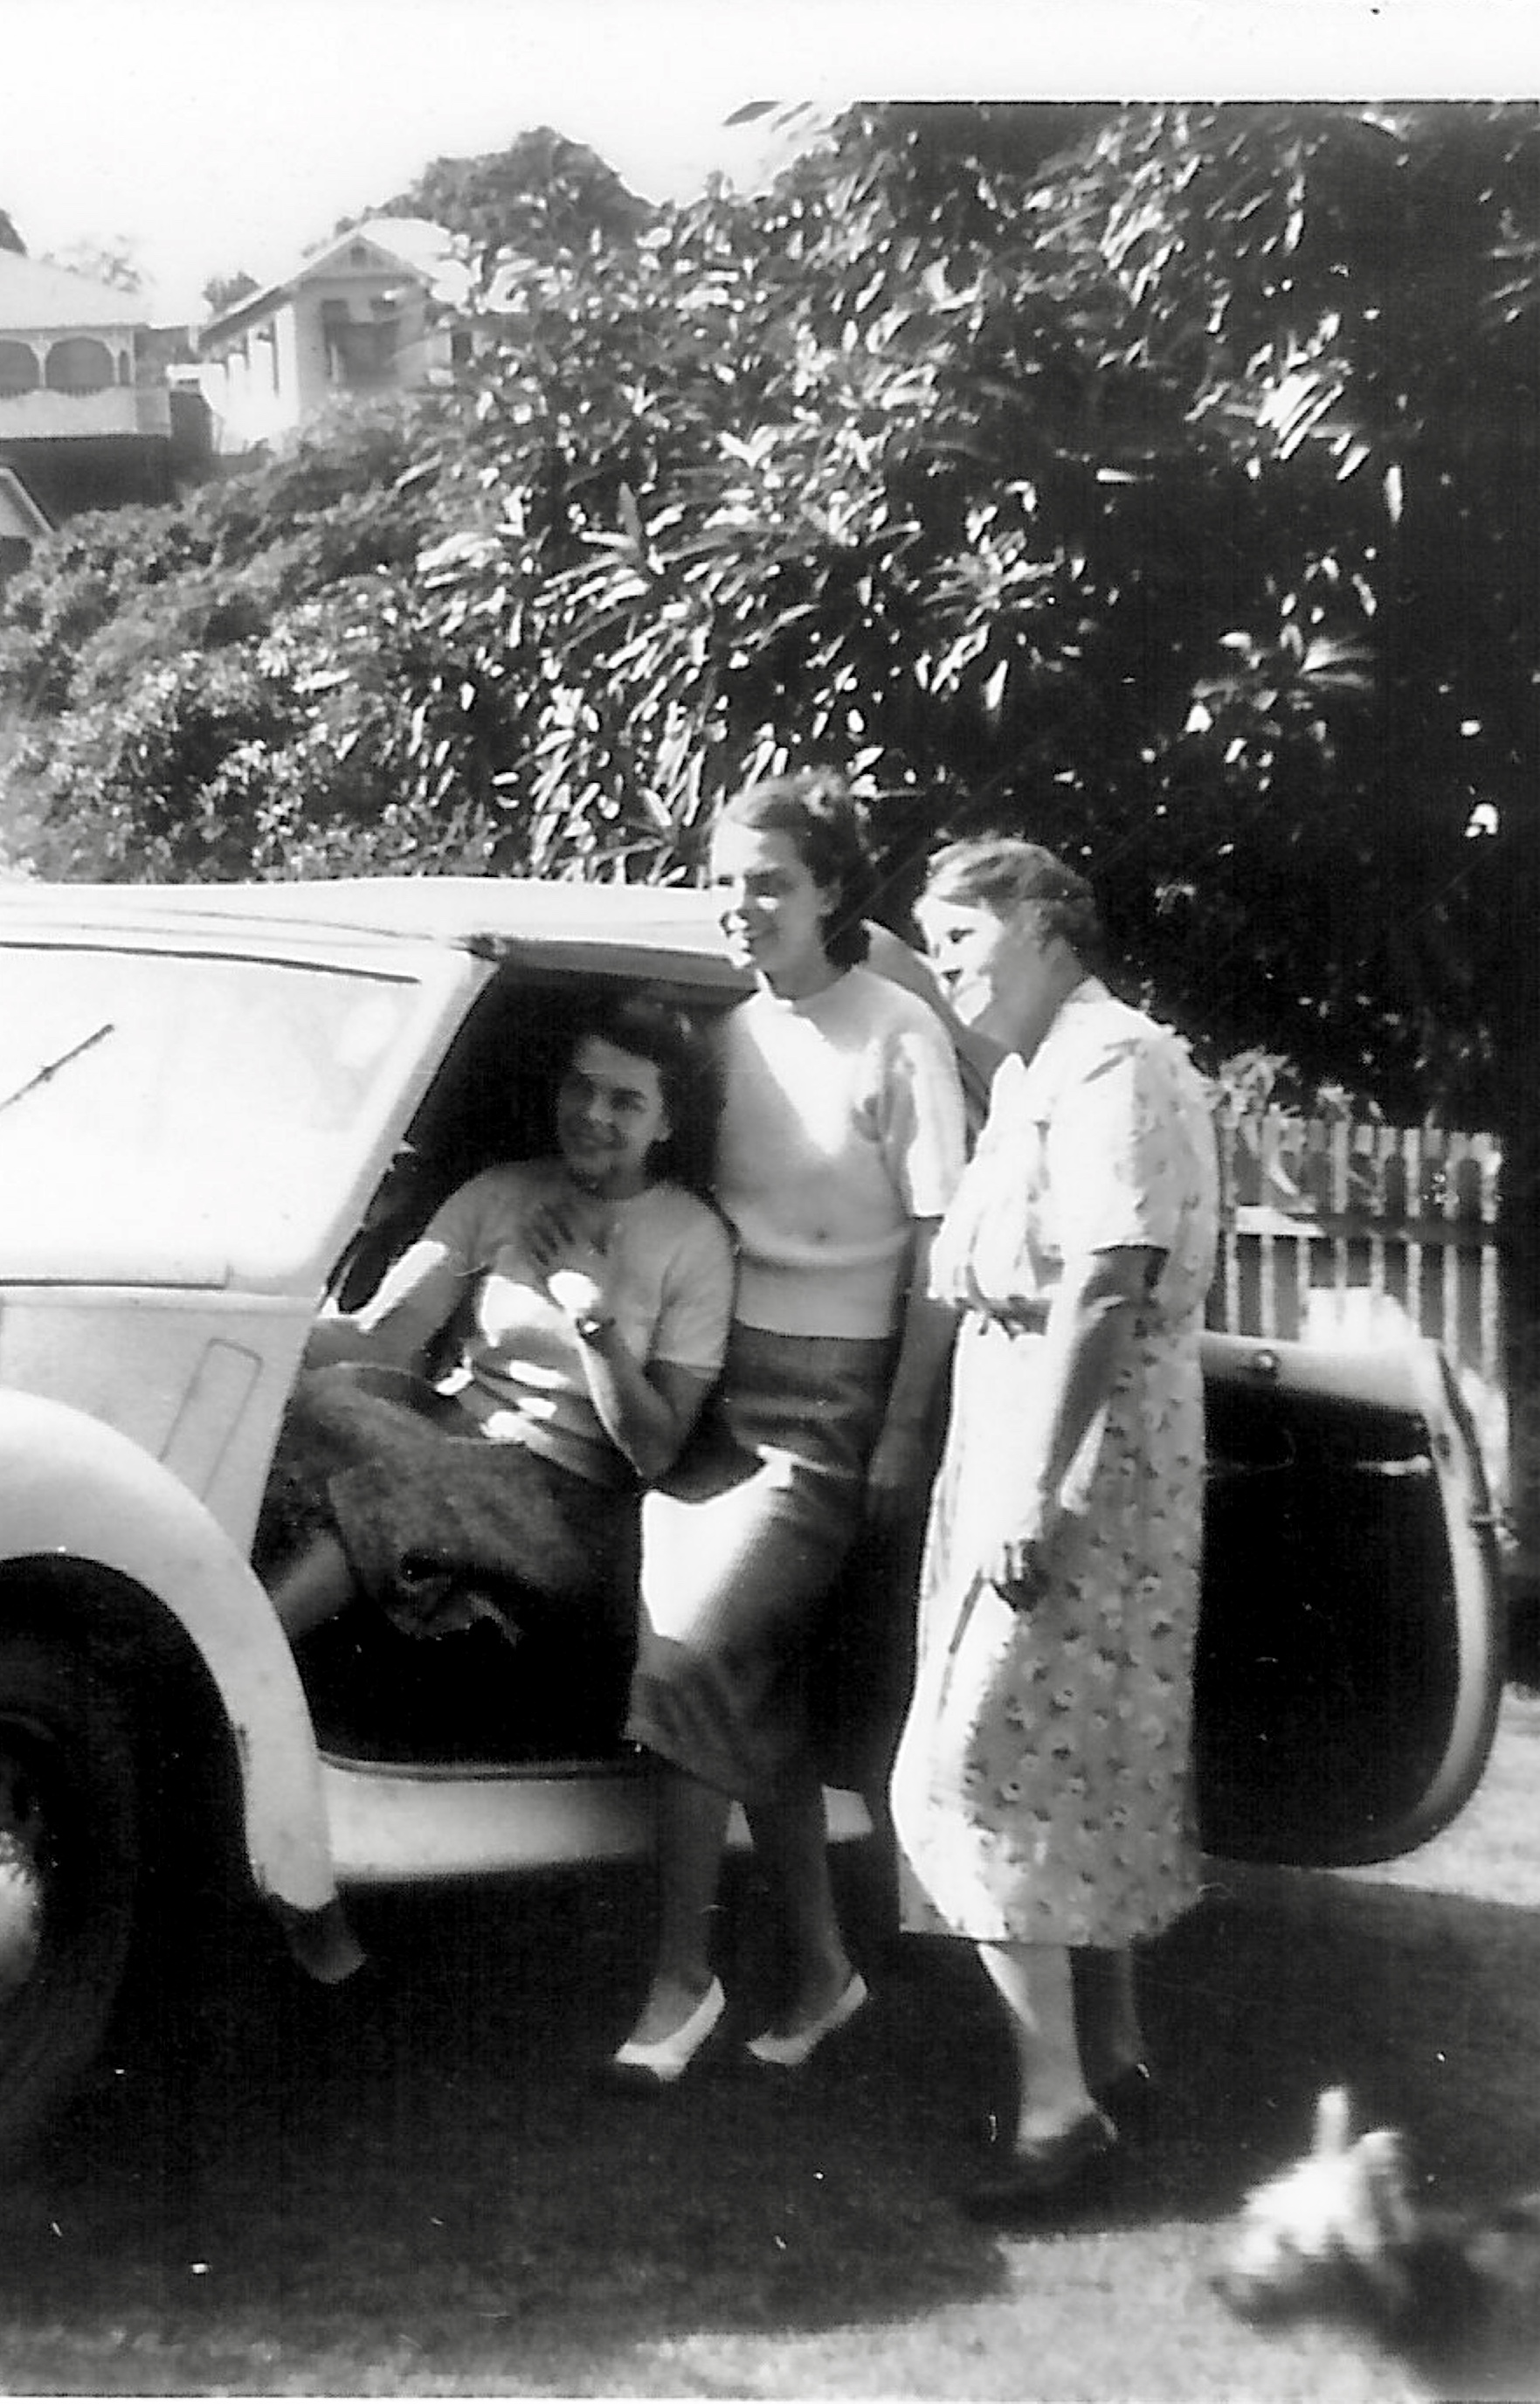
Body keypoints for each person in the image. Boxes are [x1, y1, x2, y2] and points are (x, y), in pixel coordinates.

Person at [612, 772, 968, 2087]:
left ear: (833, 893)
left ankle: (681, 1978)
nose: (740, 904)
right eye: (725, 879)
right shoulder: (722, 1038)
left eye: (770, 881)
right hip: (716, 1393)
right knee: (738, 1687)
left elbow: (942, 1255)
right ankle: (823, 1970)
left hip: (832, 1407)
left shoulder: (898, 1035)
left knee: (690, 1659)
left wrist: (901, 1431)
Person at [887, 836, 1221, 2222]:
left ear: (1042, 926)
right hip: (1029, 1420)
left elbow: (1104, 1279)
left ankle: (1057, 2110)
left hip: (1077, 1444)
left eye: (961, 937)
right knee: (1068, 1754)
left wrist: (1033, 1486)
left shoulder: (1110, 1061)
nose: (945, 966)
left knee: (976, 1765)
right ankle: (1115, 2055)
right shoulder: (1039, 1070)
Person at [260, 991, 734, 1660]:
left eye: (625, 1102)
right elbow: (382, 1337)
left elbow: (654, 1452)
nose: (592, 1115)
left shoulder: (693, 1241)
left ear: (667, 1123)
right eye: (580, 1087)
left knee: (404, 1489)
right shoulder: (504, 1191)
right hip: (455, 1436)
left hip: (572, 1502)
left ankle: (235, 1656)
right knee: (313, 1403)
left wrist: (592, 1317)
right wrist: (255, 1329)